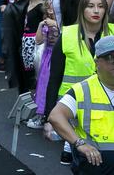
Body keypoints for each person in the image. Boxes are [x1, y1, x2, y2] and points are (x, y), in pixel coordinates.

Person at [45, 0, 113, 166]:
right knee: (75, 161)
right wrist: (48, 116)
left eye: (100, 6)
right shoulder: (67, 35)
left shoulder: (113, 32)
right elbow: (54, 78)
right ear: (82, 9)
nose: (96, 11)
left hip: (106, 107)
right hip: (72, 106)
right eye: (90, 6)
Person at [47, 35, 114, 174]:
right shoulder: (82, 90)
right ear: (97, 63)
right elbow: (56, 116)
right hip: (96, 167)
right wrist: (79, 143)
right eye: (109, 58)